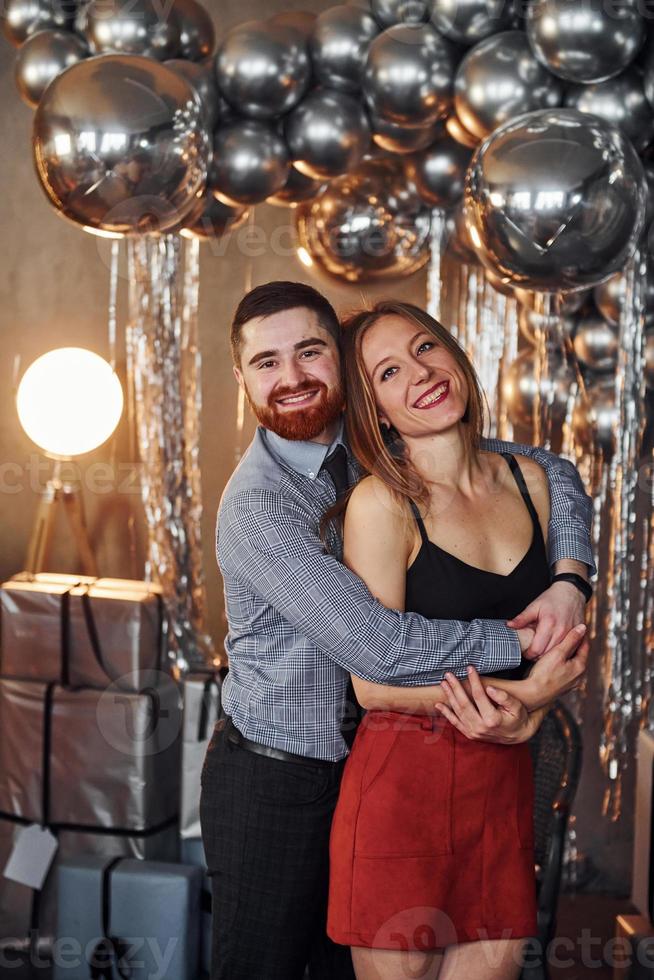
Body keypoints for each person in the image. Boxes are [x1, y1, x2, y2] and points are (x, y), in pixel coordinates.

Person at [200, 282, 594, 980]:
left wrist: (570, 578)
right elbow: (382, 650)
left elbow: (550, 470)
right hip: (278, 781)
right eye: (266, 363)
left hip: (369, 766)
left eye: (309, 352)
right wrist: (527, 650)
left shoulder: (374, 450)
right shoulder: (260, 507)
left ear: (341, 371)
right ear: (243, 379)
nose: (290, 378)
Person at [326, 300, 589, 980]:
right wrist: (523, 696)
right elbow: (372, 681)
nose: (420, 373)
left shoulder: (538, 483)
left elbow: (566, 649)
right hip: (400, 791)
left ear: (455, 356)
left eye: (425, 348)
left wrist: (530, 711)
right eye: (389, 371)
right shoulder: (381, 505)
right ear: (375, 409)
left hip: (501, 787)